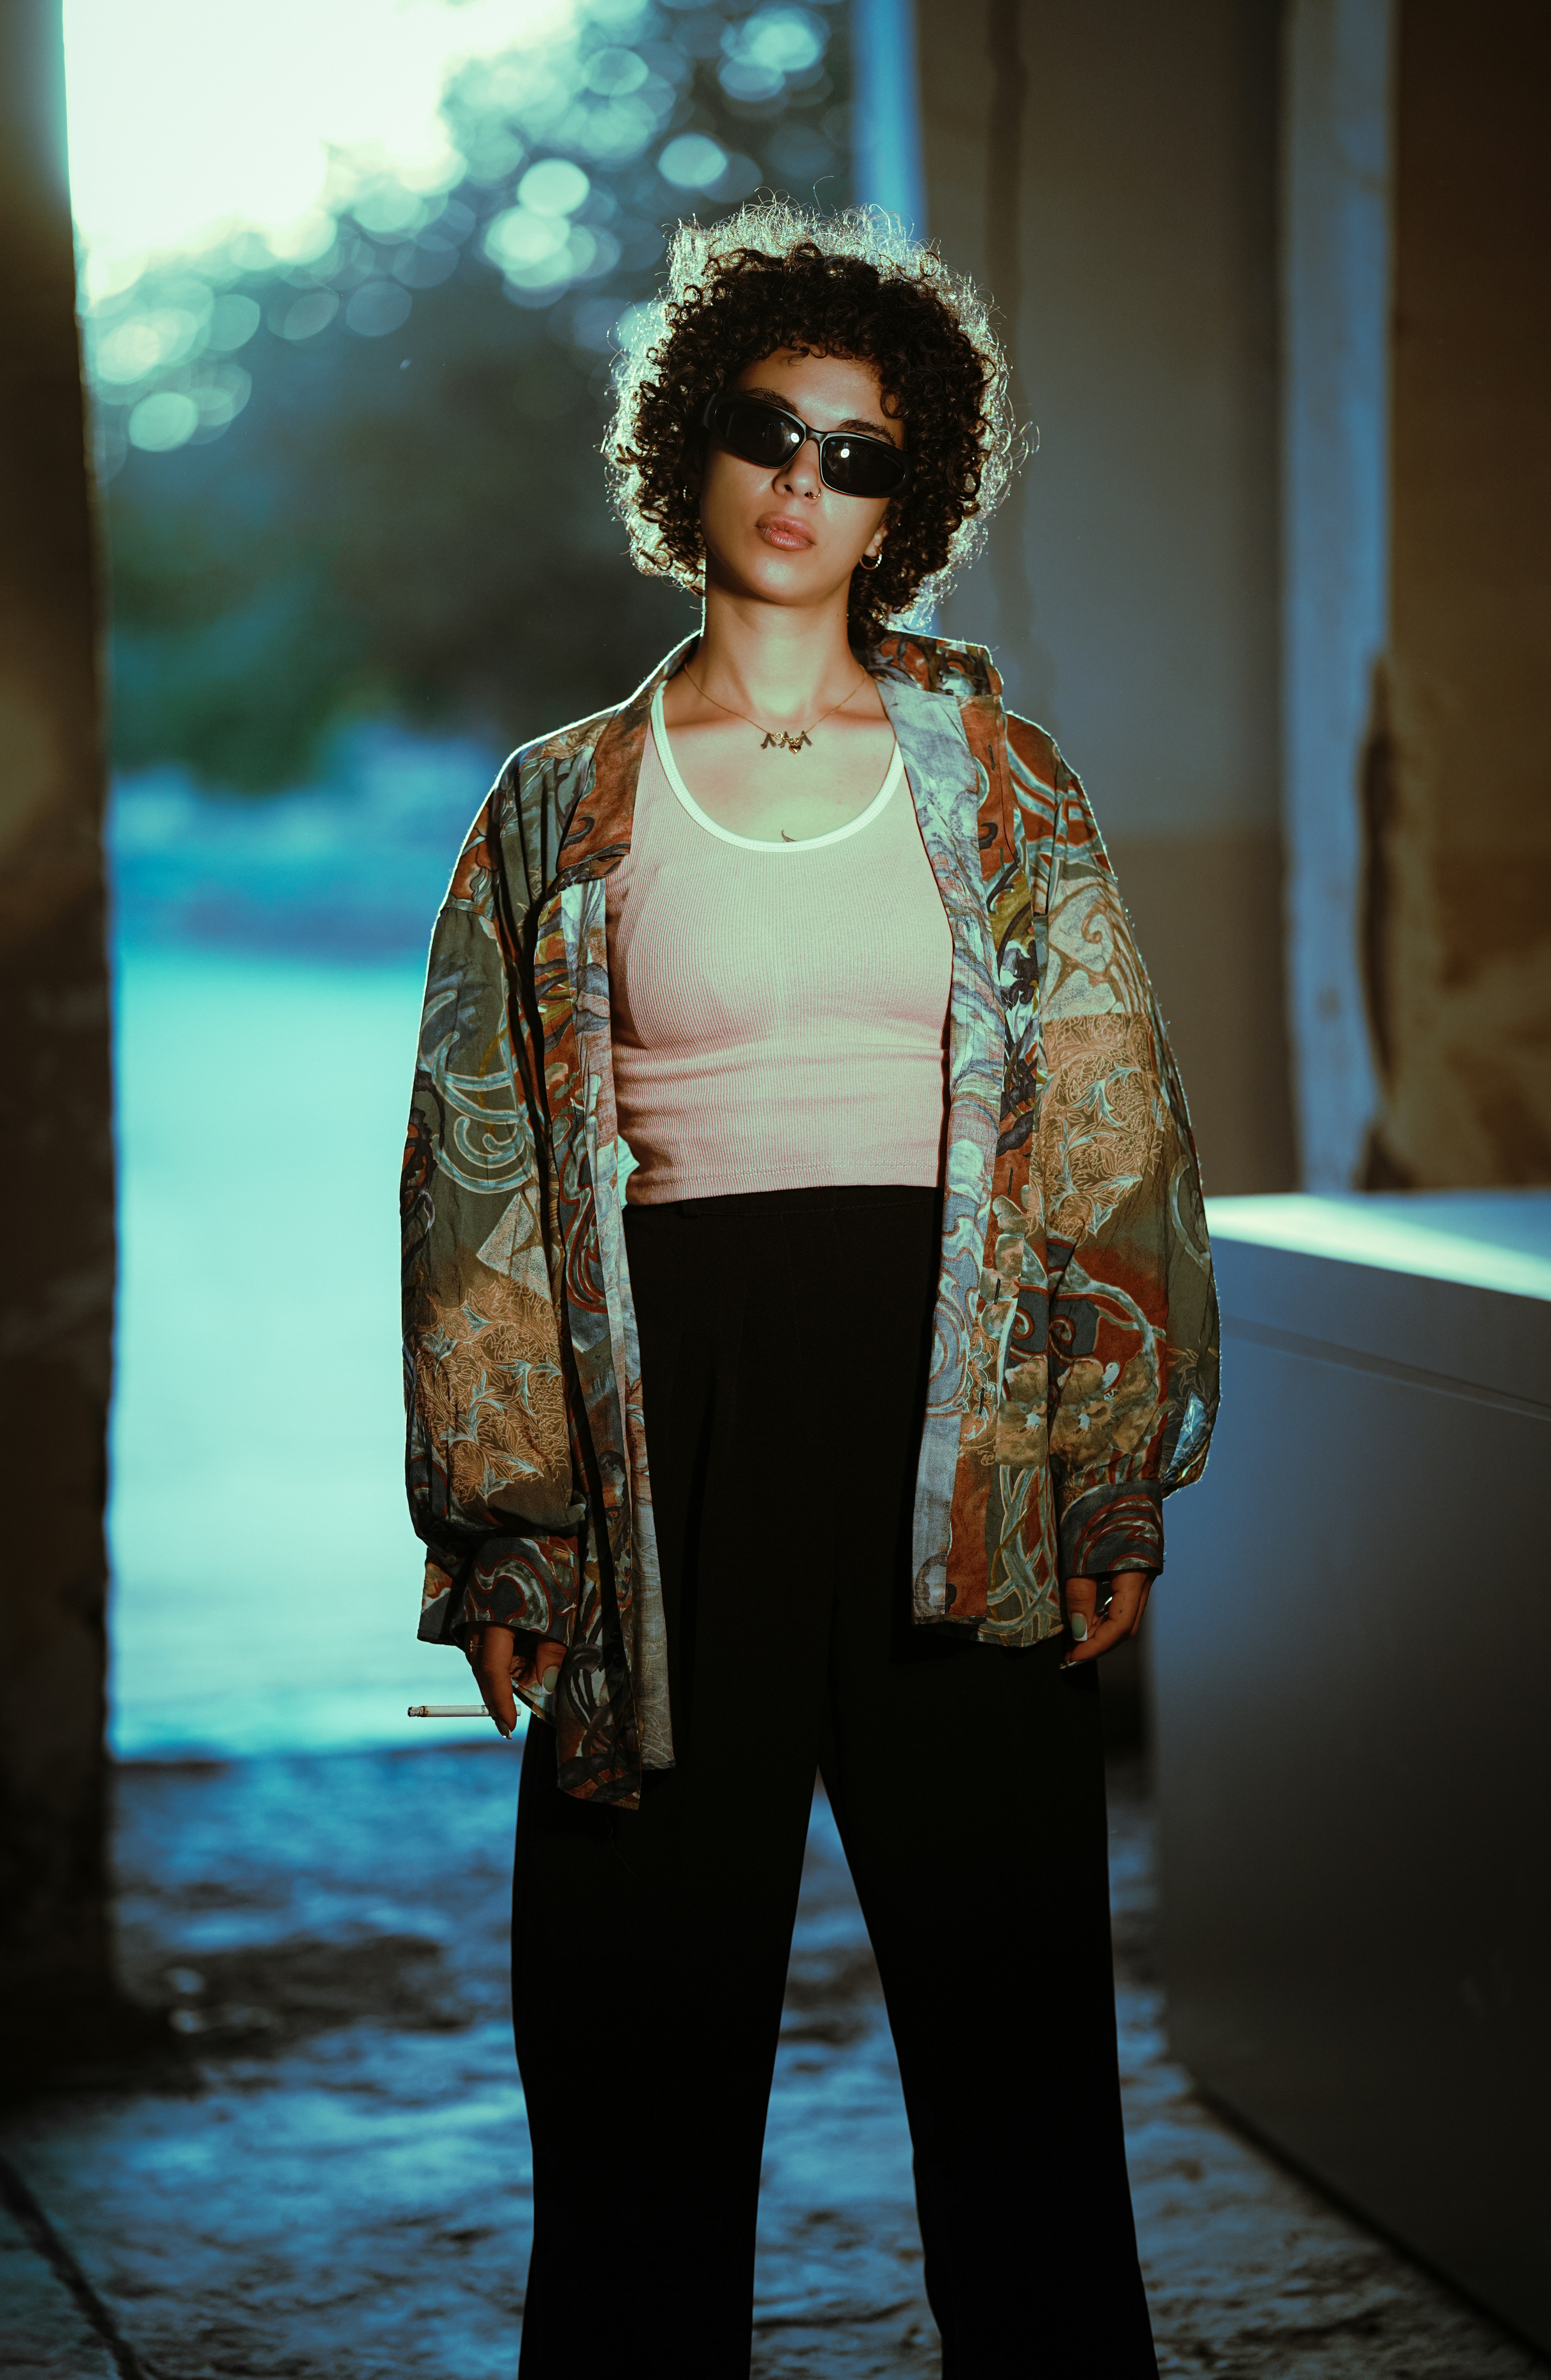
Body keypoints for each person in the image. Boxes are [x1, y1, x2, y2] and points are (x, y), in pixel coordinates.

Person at [401, 201, 1219, 2379]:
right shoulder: (555, 808)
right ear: (692, 450)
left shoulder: (1006, 793)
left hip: (963, 1451)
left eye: (861, 454)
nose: (806, 485)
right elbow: (471, 1187)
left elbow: (1116, 1129)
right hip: (668, 1451)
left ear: (908, 496)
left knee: (1017, 2044)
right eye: (771, 431)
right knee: (637, 2040)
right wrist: (505, 1524)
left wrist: (1112, 1475)